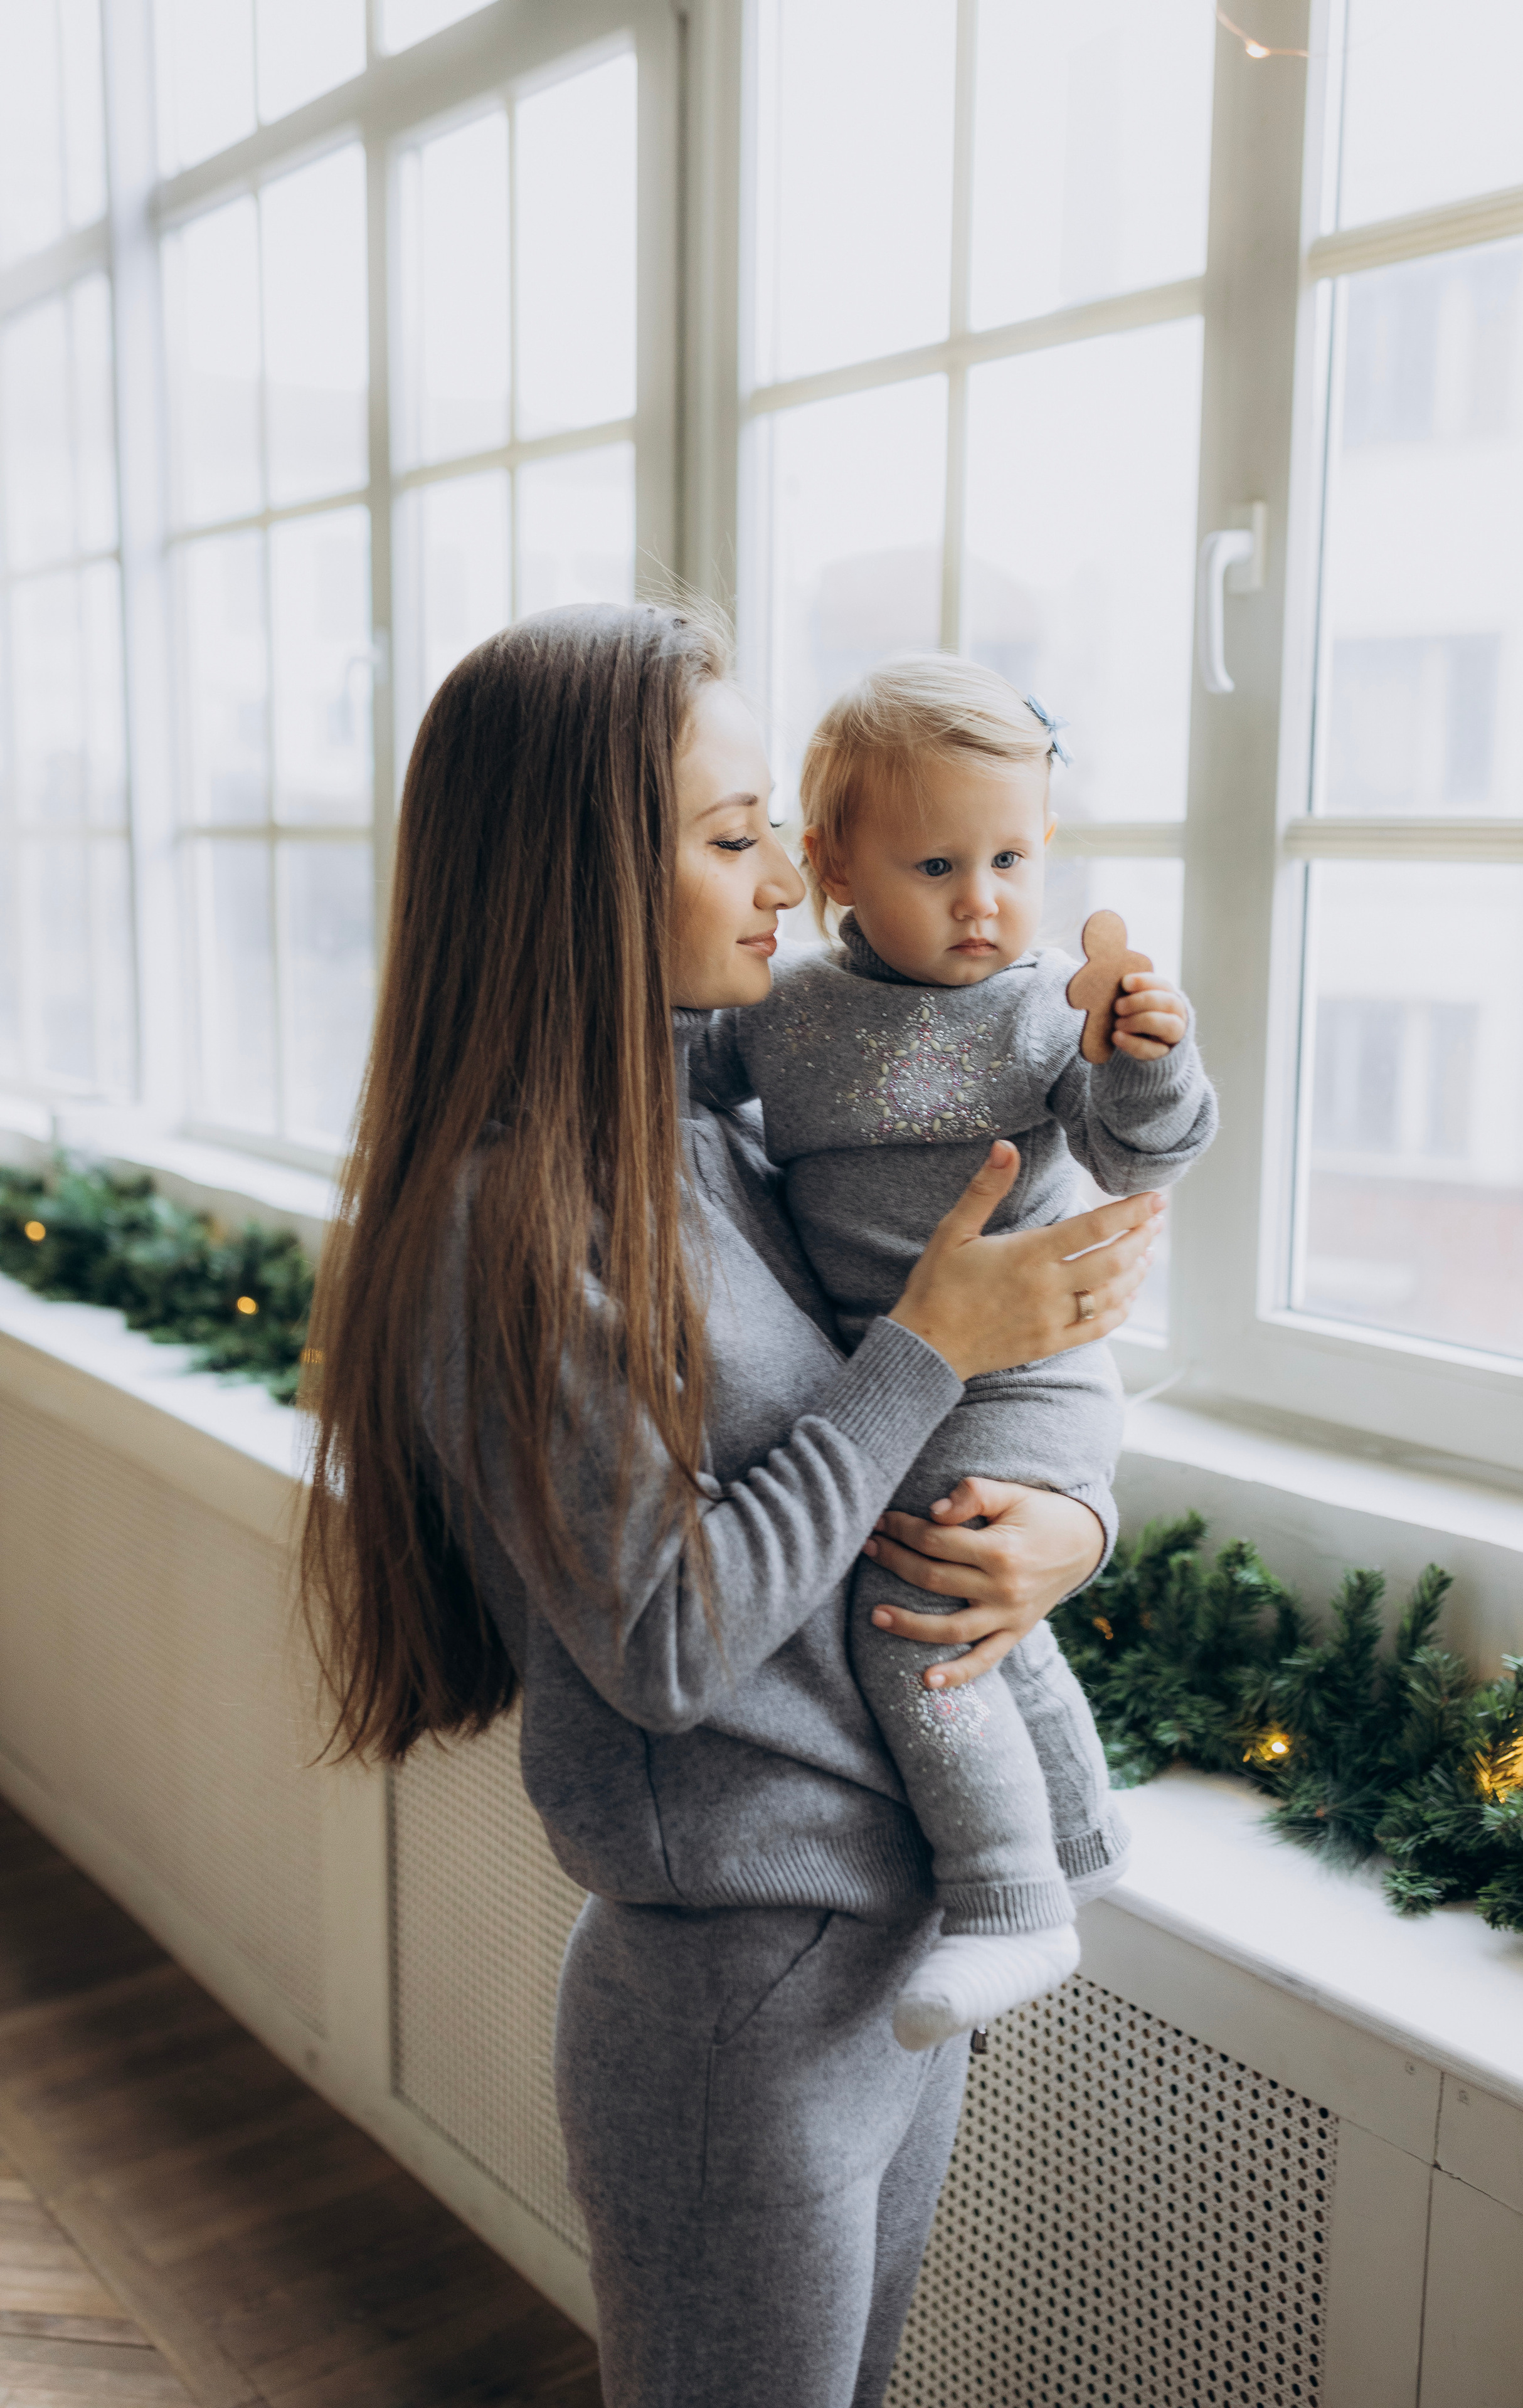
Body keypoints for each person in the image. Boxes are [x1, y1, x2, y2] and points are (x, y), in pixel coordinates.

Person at [300, 601, 1163, 2408]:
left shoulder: (720, 1126)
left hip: (889, 1943)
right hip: (739, 2003)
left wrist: (1063, 1535)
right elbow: (674, 1642)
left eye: (775, 818)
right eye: (727, 833)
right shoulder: (505, 1217)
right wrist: (935, 1340)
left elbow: (902, 1434)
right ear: (581, 878)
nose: (794, 869)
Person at [682, 655, 1218, 2052]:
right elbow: (656, 1085)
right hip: (893, 1374)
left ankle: (1007, 1903)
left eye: (1011, 858)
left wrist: (1148, 1062)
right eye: (935, 863)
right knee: (957, 1594)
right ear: (833, 866)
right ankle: (1072, 1849)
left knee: (911, 1616)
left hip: (1028, 1375)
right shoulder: (777, 1013)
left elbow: (1133, 1152)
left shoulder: (1045, 1009)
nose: (982, 900)